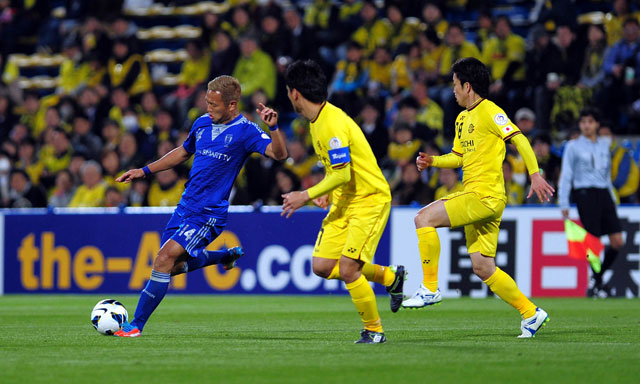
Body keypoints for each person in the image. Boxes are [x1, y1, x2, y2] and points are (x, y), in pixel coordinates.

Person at [113, 75, 288, 337]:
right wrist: (144, 170)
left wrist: (273, 129)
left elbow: (279, 155)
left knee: (162, 259)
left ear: (231, 105)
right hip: (185, 207)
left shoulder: (247, 131)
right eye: (207, 102)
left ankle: (135, 325)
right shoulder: (202, 123)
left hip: (209, 213)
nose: (208, 108)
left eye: (214, 105)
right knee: (173, 267)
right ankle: (224, 256)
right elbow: (183, 152)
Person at [402, 58, 555, 338]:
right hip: (479, 197)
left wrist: (534, 173)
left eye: (455, 85)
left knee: (423, 218)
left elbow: (519, 139)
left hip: (484, 195)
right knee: (483, 266)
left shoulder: (490, 112)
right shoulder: (463, 118)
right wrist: (433, 161)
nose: (453, 91)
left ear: (467, 85)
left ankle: (430, 288)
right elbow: (459, 158)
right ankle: (531, 313)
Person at [281, 60, 406, 344]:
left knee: (349, 269)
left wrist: (306, 194)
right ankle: (390, 278)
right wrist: (328, 189)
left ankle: (374, 331)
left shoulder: (331, 124)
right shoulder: (318, 122)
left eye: (289, 91)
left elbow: (343, 172)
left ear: (296, 93)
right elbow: (336, 170)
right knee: (322, 266)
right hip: (346, 197)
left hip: (369, 198)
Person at [558, 108, 624, 297]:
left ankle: (597, 279)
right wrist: (564, 203)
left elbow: (607, 176)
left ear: (596, 125)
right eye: (583, 122)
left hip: (604, 194)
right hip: (585, 194)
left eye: (590, 122)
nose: (586, 125)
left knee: (617, 241)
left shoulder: (604, 145)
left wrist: (612, 198)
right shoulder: (573, 146)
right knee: (592, 242)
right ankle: (597, 281)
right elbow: (567, 175)